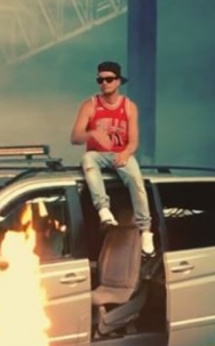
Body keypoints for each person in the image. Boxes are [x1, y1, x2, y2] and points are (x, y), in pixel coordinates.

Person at [70, 60, 155, 257]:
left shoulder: (129, 107)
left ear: (118, 81)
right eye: (100, 80)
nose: (104, 83)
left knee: (137, 181)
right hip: (98, 155)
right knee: (88, 160)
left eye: (108, 79)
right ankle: (104, 210)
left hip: (121, 154)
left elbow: (134, 141)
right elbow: (74, 138)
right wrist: (92, 133)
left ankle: (145, 231)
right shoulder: (90, 105)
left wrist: (125, 153)